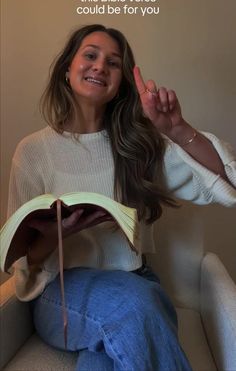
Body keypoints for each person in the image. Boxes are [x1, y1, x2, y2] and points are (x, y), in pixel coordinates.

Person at [7, 24, 236, 371]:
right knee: (136, 306)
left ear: (120, 84)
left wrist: (176, 129)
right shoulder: (33, 152)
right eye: (90, 55)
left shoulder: (139, 146)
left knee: (103, 359)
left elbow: (225, 181)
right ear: (68, 69)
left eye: (113, 63)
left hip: (136, 280)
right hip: (63, 294)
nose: (100, 66)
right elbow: (22, 264)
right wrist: (54, 238)